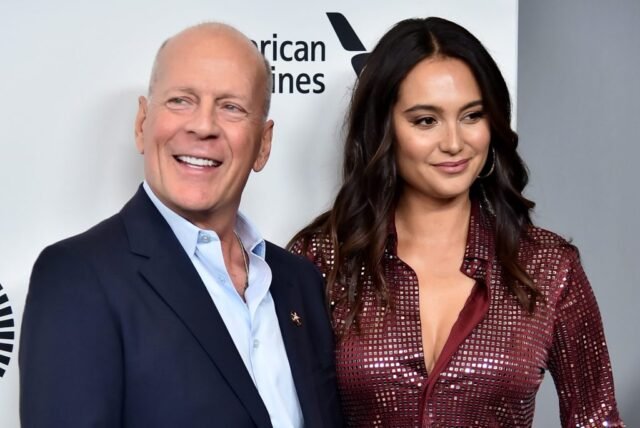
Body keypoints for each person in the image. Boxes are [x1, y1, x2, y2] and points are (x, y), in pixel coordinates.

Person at [290, 17, 624, 427]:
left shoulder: (547, 266)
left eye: (471, 116)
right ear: (383, 128)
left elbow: (596, 419)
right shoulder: (323, 258)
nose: (453, 143)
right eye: (425, 120)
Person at [20, 23, 342, 428]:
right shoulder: (77, 277)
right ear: (142, 123)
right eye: (180, 101)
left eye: (231, 107)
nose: (203, 126)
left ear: (263, 144)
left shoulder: (300, 282)